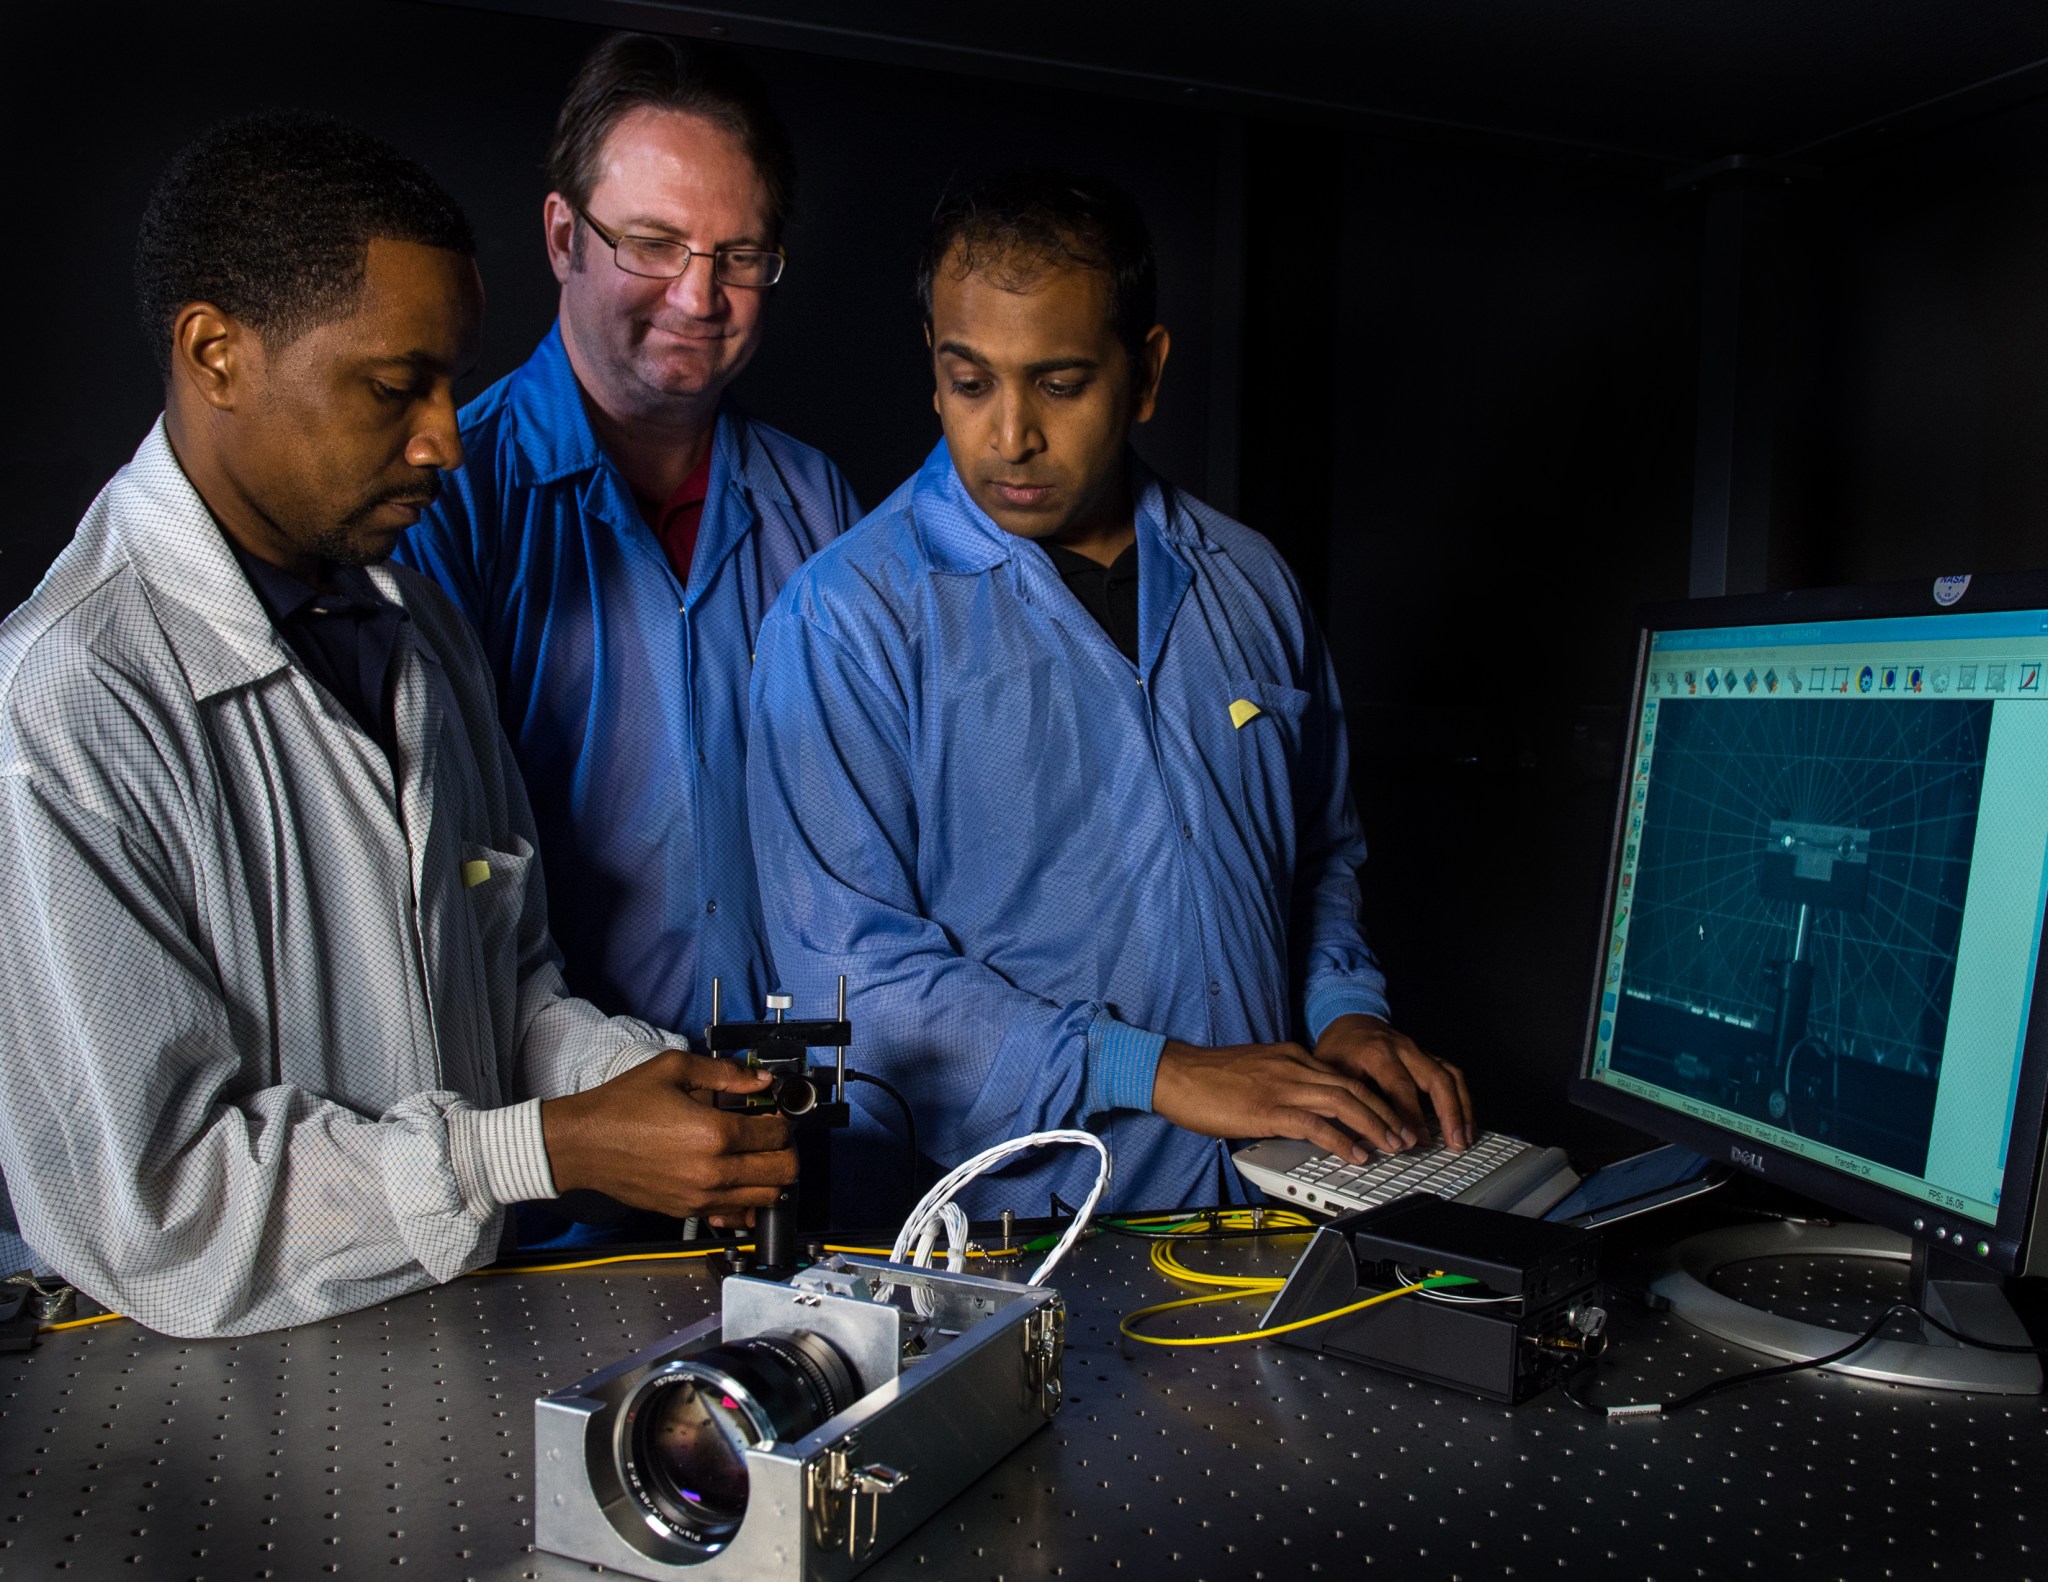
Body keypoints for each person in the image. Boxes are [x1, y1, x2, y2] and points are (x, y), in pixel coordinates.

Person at [0, 114, 795, 1338]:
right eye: (393, 387)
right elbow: (163, 1209)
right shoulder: (65, 702)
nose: (445, 437)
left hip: (450, 1342)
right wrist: (543, 1149)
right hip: (212, 1410)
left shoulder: (415, 627)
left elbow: (508, 991)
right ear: (215, 353)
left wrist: (627, 1079)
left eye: (448, 381)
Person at [747, 169, 1473, 1215]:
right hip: (1014, 1246)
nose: (1008, 438)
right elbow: (852, 981)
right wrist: (1154, 1069)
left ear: (1144, 374)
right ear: (932, 370)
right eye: (969, 382)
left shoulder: (1251, 580)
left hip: (1284, 1205)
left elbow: (1317, 859)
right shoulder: (845, 621)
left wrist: (1346, 1014)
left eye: (1058, 383)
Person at [395, 34, 858, 1046]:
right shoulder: (444, 496)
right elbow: (422, 869)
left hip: (794, 1125)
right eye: (652, 244)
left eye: (737, 257)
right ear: (564, 238)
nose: (699, 298)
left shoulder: (816, 500)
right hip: (556, 1139)